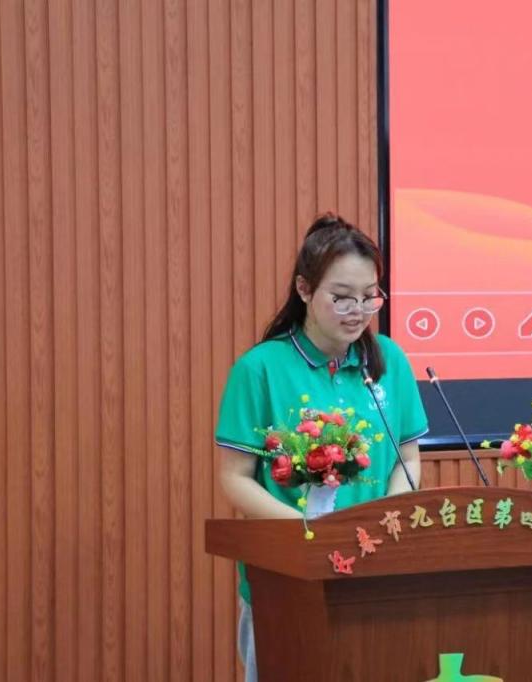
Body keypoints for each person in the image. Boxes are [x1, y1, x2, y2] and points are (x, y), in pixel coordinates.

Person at [214, 213, 429, 682]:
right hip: (288, 575)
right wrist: (310, 532)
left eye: (369, 296)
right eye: (342, 297)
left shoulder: (389, 360)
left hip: (376, 572)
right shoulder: (260, 369)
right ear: (305, 290)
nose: (358, 310)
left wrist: (385, 523)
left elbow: (408, 459)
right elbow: (235, 478)